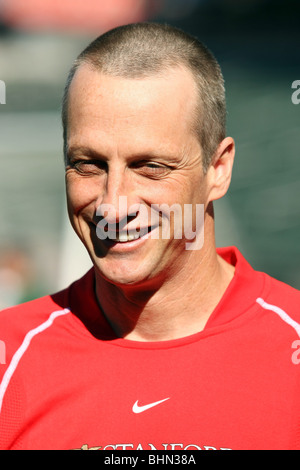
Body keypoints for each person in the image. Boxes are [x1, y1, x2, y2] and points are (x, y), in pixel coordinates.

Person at [0, 22, 300, 451]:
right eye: (89, 164)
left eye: (150, 166)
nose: (113, 205)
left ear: (218, 169)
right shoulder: (8, 361)